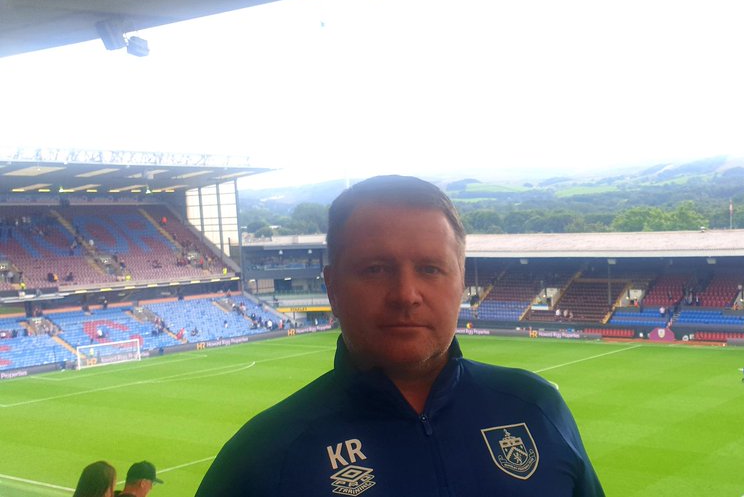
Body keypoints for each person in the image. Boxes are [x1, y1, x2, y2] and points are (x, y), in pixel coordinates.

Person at [196, 175, 604, 496]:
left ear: (461, 283)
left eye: (430, 269)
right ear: (332, 286)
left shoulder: (536, 409)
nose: (406, 295)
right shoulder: (261, 457)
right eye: (375, 269)